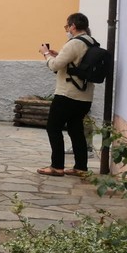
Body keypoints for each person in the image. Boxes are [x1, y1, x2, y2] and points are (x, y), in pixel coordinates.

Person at [37, 12, 96, 176]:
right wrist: (58, 55)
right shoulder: (91, 42)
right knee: (76, 130)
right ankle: (81, 167)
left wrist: (46, 53)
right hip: (85, 97)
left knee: (53, 127)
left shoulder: (73, 43)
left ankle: (57, 166)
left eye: (67, 26)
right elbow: (76, 63)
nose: (67, 30)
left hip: (67, 94)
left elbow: (54, 66)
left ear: (73, 26)